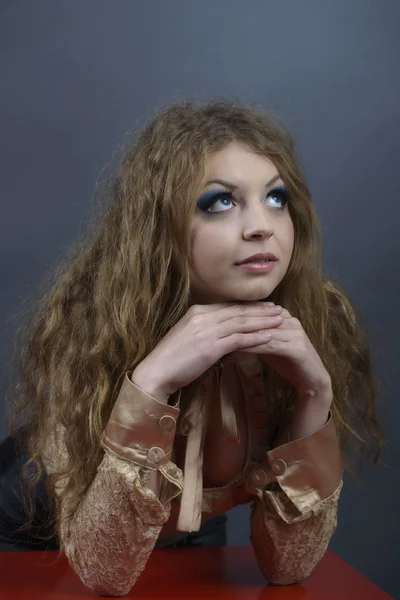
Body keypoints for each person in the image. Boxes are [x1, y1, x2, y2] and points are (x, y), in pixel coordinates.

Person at [6, 100, 383, 596]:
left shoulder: (315, 317)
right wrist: (153, 382)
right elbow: (103, 572)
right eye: (220, 202)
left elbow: (289, 568)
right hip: (38, 536)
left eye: (276, 198)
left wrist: (315, 395)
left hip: (186, 532)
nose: (261, 226)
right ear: (161, 226)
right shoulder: (89, 330)